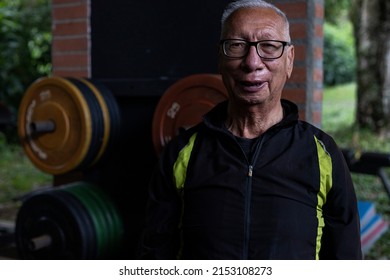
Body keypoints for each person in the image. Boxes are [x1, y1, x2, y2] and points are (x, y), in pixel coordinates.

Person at [138, 0, 362, 259]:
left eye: (269, 46)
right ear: (220, 58)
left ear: (289, 60)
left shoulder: (322, 153)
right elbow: (153, 258)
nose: (252, 62)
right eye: (236, 46)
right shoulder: (182, 153)